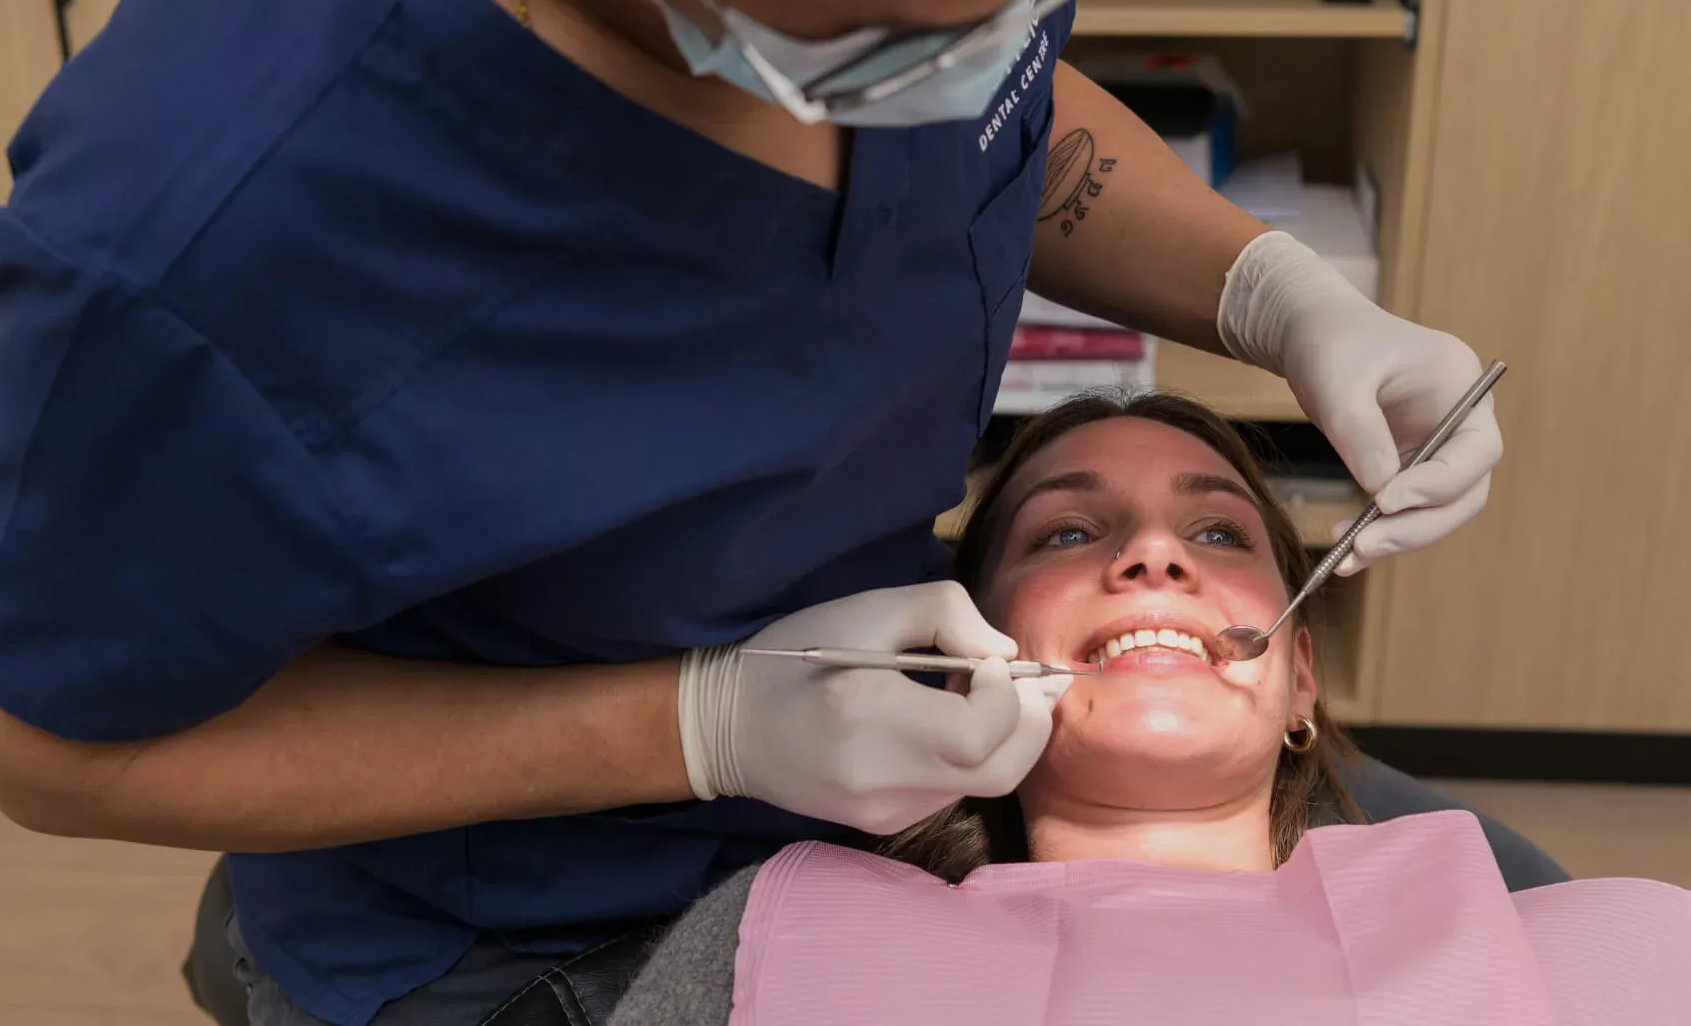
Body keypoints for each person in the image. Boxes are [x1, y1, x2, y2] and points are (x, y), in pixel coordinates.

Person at [0, 0, 1505, 1024]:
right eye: (892, 29)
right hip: (520, 931)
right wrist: (698, 728)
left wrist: (1273, 292)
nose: (1006, 33)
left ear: (1306, 685)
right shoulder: (206, 245)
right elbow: (56, 749)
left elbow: (991, 91)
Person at [606, 394, 1685, 1026]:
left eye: (1218, 534)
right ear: (962, 664)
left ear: (1300, 678)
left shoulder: (1625, 945)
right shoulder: (786, 940)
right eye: (1068, 534)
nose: (1154, 553)